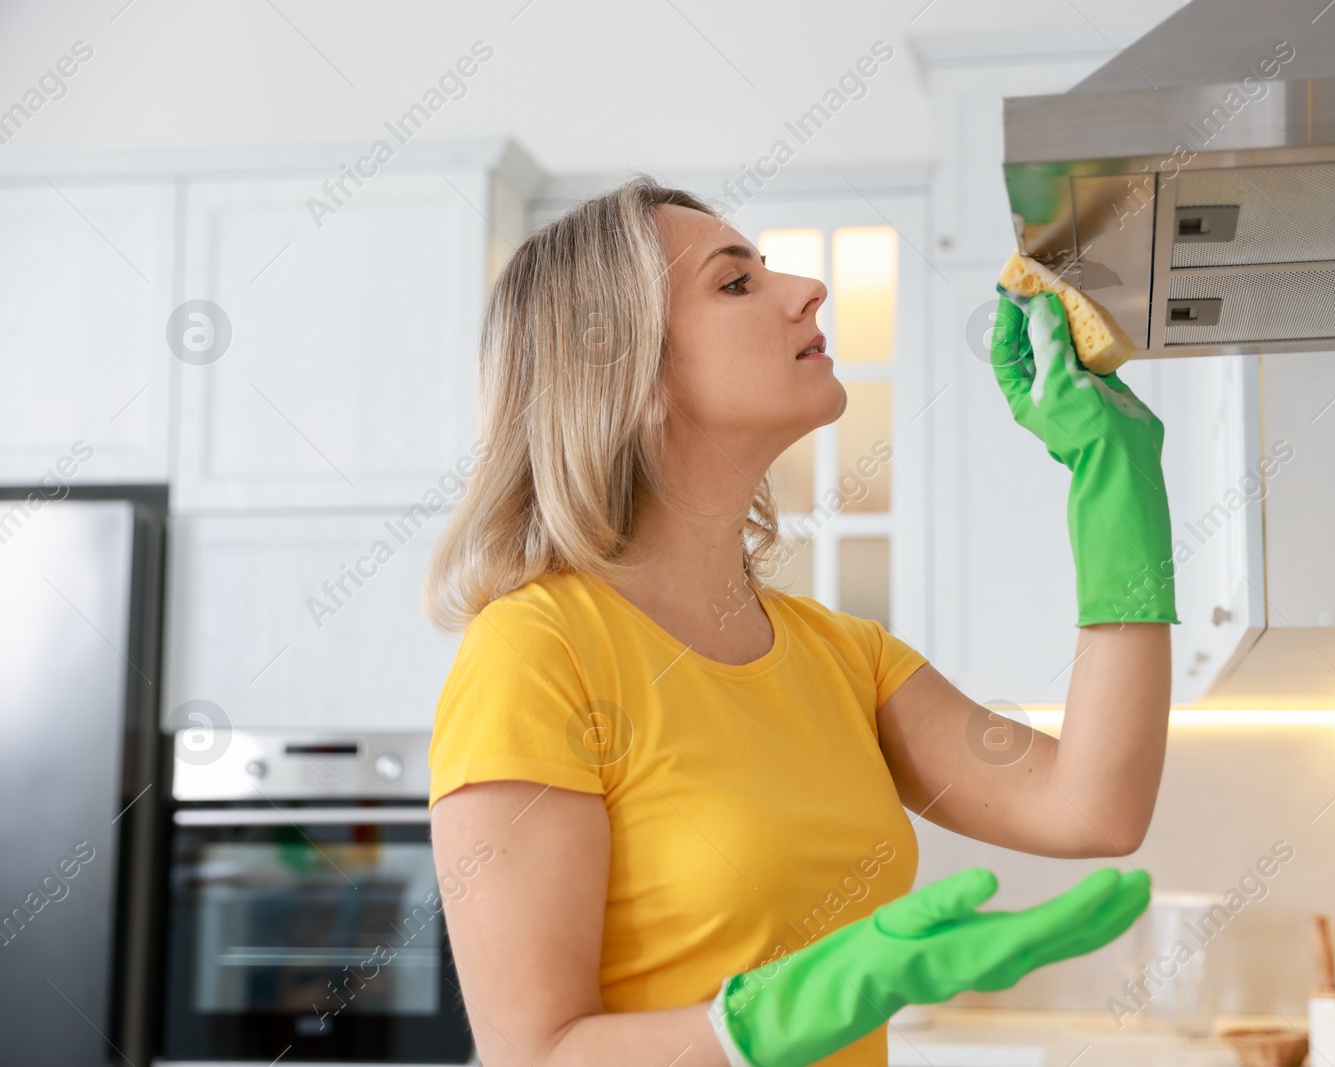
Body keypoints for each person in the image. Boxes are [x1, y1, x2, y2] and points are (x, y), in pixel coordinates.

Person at [423, 173, 1177, 1067]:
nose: (809, 290)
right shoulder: (538, 651)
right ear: (626, 371)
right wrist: (759, 1022)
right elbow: (533, 1056)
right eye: (735, 282)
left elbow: (1092, 804)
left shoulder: (842, 656)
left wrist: (1113, 477)